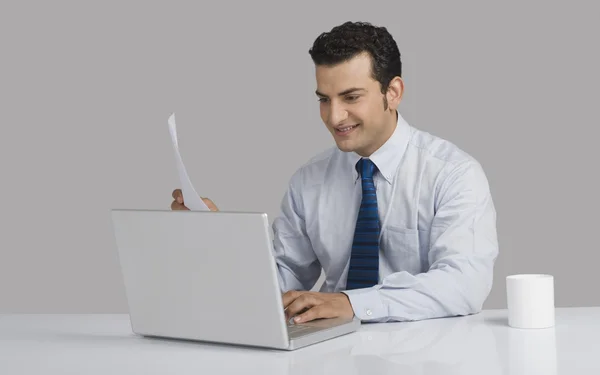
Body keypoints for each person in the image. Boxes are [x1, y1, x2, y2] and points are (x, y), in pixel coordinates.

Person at [171, 21, 499, 324]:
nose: (335, 117)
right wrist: (216, 240)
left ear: (393, 92)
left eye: (351, 97)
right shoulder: (308, 181)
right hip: (329, 352)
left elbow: (464, 282)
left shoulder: (453, 173)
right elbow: (280, 279)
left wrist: (351, 304)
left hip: (429, 358)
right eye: (324, 100)